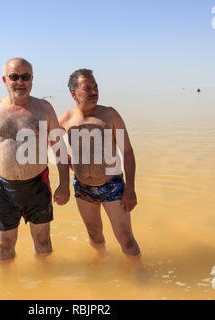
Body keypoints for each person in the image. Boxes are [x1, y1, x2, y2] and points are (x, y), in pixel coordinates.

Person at [0, 58, 70, 261]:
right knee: (4, 243)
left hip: (38, 184)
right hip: (4, 187)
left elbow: (59, 148)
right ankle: (6, 289)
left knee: (43, 240)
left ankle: (46, 285)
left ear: (32, 79)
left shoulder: (44, 108)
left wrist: (64, 185)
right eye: (14, 77)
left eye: (25, 77)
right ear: (4, 80)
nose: (20, 82)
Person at [58, 69, 140, 257]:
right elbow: (50, 141)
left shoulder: (109, 115)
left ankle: (139, 273)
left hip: (112, 185)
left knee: (126, 239)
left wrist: (130, 188)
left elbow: (127, 151)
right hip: (82, 188)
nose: (94, 92)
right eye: (88, 88)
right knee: (94, 236)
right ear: (74, 93)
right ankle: (99, 269)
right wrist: (68, 161)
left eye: (96, 87)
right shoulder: (66, 119)